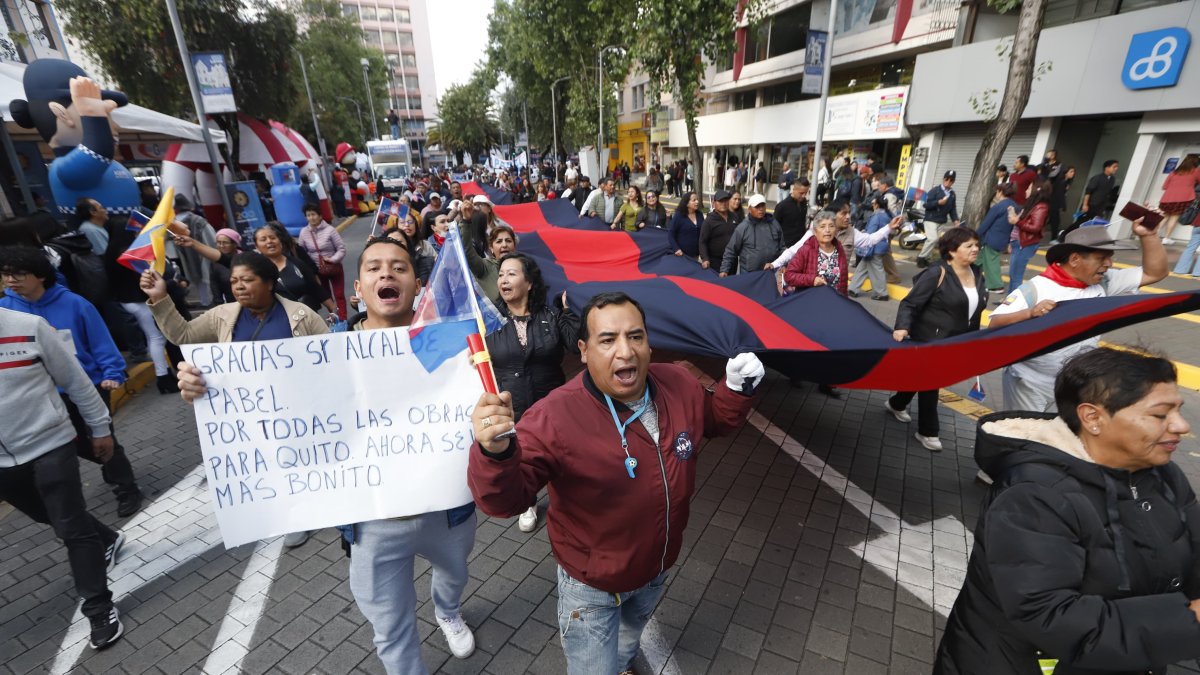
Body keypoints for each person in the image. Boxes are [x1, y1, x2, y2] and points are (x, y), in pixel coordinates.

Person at [467, 291, 761, 675]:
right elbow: (505, 501)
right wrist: (496, 453)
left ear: (649, 345)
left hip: (657, 568)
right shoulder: (552, 416)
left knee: (627, 642)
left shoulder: (679, 383)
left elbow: (712, 419)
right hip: (592, 590)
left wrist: (735, 390)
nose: (625, 351)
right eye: (608, 340)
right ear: (584, 351)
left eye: (635, 336)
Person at [934, 347, 1200, 674]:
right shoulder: (1033, 495)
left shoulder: (1162, 474)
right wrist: (1187, 619)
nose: (1182, 426)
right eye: (1160, 415)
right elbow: (1051, 616)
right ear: (1092, 418)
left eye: (1178, 411)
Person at [142, 252, 327, 547]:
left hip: (296, 410)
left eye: (247, 280)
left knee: (298, 460)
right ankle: (284, 512)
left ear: (269, 283)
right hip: (249, 413)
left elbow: (330, 362)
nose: (239, 286)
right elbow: (183, 335)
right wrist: (160, 298)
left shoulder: (301, 316)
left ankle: (306, 511)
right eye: (234, 281)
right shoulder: (222, 316)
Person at [0, 307, 126, 650]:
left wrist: (100, 428)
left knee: (70, 526)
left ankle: (99, 607)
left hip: (51, 445)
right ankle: (107, 538)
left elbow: (75, 380)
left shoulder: (28, 327)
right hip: (4, 465)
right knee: (50, 516)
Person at [0, 245, 144, 517]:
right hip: (41, 397)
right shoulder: (4, 310)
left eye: (18, 274)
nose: (10, 281)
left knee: (103, 439)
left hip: (86, 388)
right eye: (5, 275)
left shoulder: (75, 304)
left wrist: (112, 373)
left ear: (40, 275)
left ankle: (126, 488)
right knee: (77, 447)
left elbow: (100, 342)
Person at [990, 218, 1167, 412]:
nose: (1109, 264)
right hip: (1030, 384)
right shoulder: (1036, 288)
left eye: (1110, 257)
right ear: (1075, 259)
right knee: (1023, 436)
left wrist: (1149, 236)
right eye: (1101, 258)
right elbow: (995, 325)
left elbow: (1155, 272)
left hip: (1074, 385)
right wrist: (1029, 313)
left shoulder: (1105, 282)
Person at [487, 252, 579, 533]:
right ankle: (528, 501)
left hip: (551, 405)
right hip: (510, 406)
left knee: (559, 456)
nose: (504, 279)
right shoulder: (488, 318)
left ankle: (566, 501)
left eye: (511, 274)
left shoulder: (550, 315)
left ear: (529, 283)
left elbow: (576, 346)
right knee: (521, 458)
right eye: (501, 274)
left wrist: (568, 313)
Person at [885, 228, 987, 452]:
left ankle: (896, 403)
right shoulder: (937, 273)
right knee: (931, 380)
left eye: (976, 245)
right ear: (952, 250)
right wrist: (902, 327)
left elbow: (976, 311)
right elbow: (910, 303)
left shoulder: (978, 274)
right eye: (969, 245)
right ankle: (928, 431)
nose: (975, 249)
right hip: (930, 339)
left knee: (922, 377)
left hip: (958, 341)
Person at [254, 223, 338, 316]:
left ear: (280, 241)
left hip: (308, 317)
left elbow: (315, 288)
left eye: (273, 238)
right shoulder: (257, 272)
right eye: (263, 239)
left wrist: (333, 310)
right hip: (280, 320)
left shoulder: (297, 263)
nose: (269, 241)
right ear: (257, 246)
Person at [297, 205, 349, 321]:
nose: (311, 218)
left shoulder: (330, 230)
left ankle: (343, 320)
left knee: (339, 295)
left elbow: (341, 248)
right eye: (308, 215)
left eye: (314, 214)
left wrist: (333, 259)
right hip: (317, 271)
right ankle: (335, 319)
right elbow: (301, 252)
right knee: (326, 297)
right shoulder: (304, 232)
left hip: (334, 267)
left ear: (320, 216)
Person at [1005, 178, 1052, 293]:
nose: (1026, 190)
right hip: (1019, 243)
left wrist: (1017, 221)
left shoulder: (1041, 207)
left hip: (1025, 245)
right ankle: (1009, 300)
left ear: (1037, 190)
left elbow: (1035, 228)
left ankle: (1013, 303)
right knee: (1013, 274)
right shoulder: (1032, 205)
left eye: (1029, 188)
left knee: (1016, 276)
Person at [720, 194, 782, 277]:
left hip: (771, 271)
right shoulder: (742, 227)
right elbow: (731, 250)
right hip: (749, 274)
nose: (760, 209)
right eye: (757, 207)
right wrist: (724, 270)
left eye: (762, 206)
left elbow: (782, 246)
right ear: (749, 209)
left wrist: (785, 264)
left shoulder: (774, 223)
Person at [172, 194, 218, 307]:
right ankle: (210, 301)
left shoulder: (173, 224)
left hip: (183, 257)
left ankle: (204, 301)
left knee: (196, 278)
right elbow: (211, 237)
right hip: (202, 253)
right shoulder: (198, 220)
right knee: (207, 276)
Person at [846, 195, 893, 301]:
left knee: (877, 269)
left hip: (874, 247)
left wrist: (862, 233)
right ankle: (853, 289)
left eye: (873, 204)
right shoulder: (887, 214)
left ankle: (882, 293)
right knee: (862, 267)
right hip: (881, 246)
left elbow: (870, 233)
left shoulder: (876, 216)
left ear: (876, 205)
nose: (872, 205)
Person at [975, 183, 1018, 294]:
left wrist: (975, 235)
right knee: (978, 259)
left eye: (997, 192)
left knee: (991, 262)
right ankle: (971, 278)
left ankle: (996, 286)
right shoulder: (1015, 206)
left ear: (1000, 192)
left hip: (991, 239)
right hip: (1003, 239)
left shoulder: (998, 207)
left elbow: (986, 224)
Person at [918, 171, 960, 268]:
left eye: (951, 180)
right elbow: (926, 205)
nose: (948, 181)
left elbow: (952, 209)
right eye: (947, 179)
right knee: (933, 239)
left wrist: (955, 220)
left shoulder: (952, 194)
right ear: (943, 179)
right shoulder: (935, 190)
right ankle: (921, 257)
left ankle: (926, 259)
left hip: (942, 221)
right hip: (931, 219)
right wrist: (937, 202)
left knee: (936, 241)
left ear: (953, 182)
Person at [1157, 154, 1200, 245]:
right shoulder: (1195, 171)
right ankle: (1166, 238)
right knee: (1174, 217)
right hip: (1182, 199)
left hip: (1166, 199)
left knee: (1164, 217)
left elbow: (1165, 187)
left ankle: (1154, 235)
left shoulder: (1174, 172)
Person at [699, 190, 736, 271]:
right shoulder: (708, 221)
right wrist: (705, 258)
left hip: (732, 261)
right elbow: (702, 241)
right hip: (715, 262)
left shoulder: (734, 217)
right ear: (713, 203)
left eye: (726, 200)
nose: (723, 203)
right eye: (720, 201)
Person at [775, 179, 811, 247]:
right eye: (801, 193)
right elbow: (774, 228)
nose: (804, 196)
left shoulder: (803, 203)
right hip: (786, 246)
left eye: (806, 193)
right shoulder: (782, 206)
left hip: (800, 244)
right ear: (794, 189)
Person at [669, 191, 703, 259]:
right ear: (687, 203)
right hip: (681, 255)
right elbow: (671, 234)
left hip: (696, 254)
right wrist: (676, 249)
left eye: (697, 200)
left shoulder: (699, 214)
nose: (697, 202)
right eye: (694, 200)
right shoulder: (679, 216)